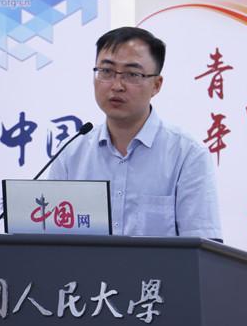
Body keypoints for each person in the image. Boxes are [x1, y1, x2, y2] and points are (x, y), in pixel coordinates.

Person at [49, 27, 222, 239]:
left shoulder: (187, 155)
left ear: (156, 85)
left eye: (132, 74)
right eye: (106, 71)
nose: (117, 86)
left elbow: (202, 246)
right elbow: (50, 240)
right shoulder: (71, 155)